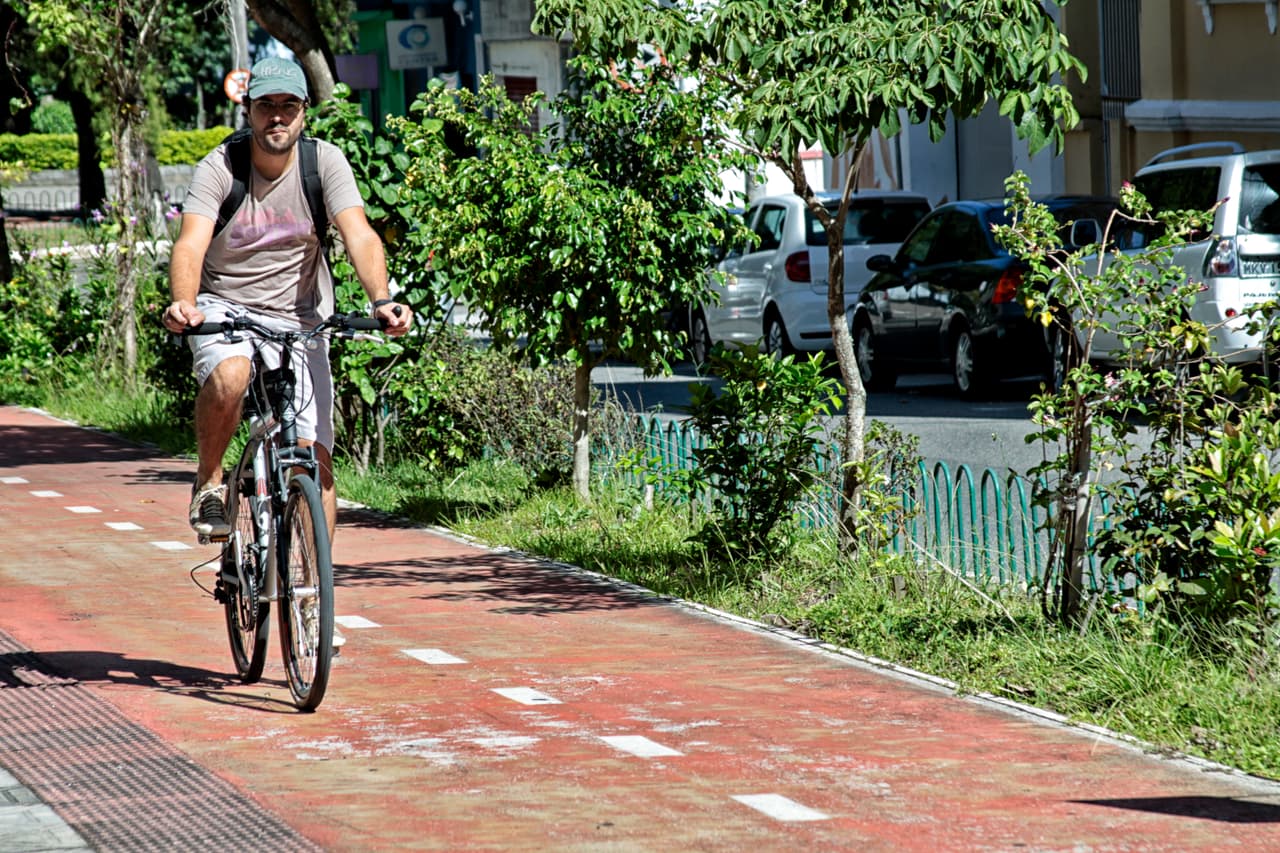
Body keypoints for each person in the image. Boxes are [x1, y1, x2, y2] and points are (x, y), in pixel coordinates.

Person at [162, 56, 411, 546]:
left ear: (304, 112)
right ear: (249, 111)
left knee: (314, 459)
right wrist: (184, 303)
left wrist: (381, 299)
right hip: (225, 309)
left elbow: (359, 235)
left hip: (301, 320)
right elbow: (190, 242)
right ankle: (210, 480)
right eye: (266, 105)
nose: (277, 116)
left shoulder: (325, 163)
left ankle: (314, 594)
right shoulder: (221, 166)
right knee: (231, 375)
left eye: (288, 106)